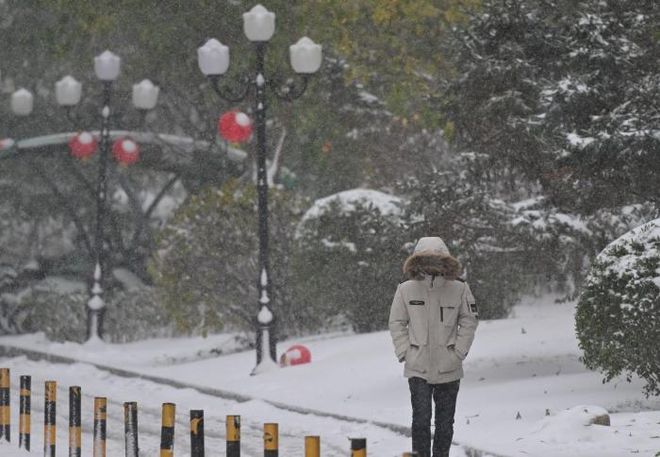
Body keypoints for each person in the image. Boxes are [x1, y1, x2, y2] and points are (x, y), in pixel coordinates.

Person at [389, 236, 479, 457]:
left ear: (445, 262)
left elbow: (469, 320)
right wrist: (405, 353)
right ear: (417, 262)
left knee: (445, 424)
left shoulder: (459, 289)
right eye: (426, 260)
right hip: (417, 367)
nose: (431, 264)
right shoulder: (405, 290)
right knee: (420, 421)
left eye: (436, 260)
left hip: (449, 368)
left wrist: (458, 353)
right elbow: (396, 322)